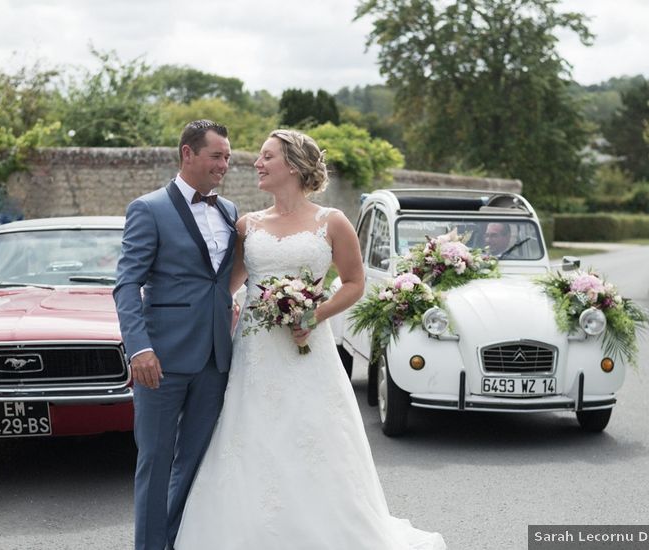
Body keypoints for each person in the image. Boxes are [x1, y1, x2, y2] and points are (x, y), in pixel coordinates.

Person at [174, 129, 446, 549]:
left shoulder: (332, 221)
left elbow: (354, 283)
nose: (257, 164)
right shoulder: (247, 225)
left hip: (308, 351)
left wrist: (314, 314)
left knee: (314, 438)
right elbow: (224, 286)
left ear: (295, 166)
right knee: (252, 437)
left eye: (267, 157)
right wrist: (175, 308)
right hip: (255, 352)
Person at [113, 120, 238, 550]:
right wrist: (139, 348)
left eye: (227, 157)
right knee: (155, 460)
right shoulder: (148, 209)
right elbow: (126, 284)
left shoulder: (230, 211)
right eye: (216, 156)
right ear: (188, 154)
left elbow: (222, 281)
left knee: (196, 461)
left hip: (216, 358)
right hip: (160, 360)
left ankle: (175, 540)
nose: (224, 165)